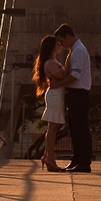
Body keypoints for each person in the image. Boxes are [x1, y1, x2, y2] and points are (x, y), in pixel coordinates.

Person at [52, 23, 93, 172]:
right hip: (75, 93)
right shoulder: (75, 50)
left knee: (81, 128)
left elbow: (76, 75)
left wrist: (58, 84)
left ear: (67, 36)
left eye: (61, 41)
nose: (61, 45)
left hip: (79, 93)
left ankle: (84, 162)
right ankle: (76, 159)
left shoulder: (79, 51)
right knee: (74, 129)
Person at [33, 35, 67, 172]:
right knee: (53, 128)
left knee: (52, 127)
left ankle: (48, 156)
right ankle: (50, 158)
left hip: (56, 94)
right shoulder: (50, 63)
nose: (60, 45)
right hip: (55, 95)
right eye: (58, 43)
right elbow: (63, 76)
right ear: (52, 46)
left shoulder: (53, 61)